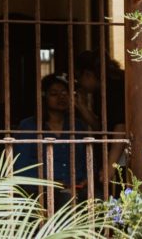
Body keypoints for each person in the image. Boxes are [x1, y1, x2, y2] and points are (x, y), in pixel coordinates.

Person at [14, 73, 88, 207]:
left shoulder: (77, 126)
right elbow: (21, 168)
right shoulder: (29, 126)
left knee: (99, 199)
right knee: (65, 198)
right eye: (54, 94)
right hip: (41, 188)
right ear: (43, 97)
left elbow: (86, 160)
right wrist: (53, 183)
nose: (61, 97)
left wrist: (86, 179)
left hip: (76, 186)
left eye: (65, 92)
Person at [74, 51, 126, 184]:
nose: (79, 83)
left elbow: (121, 126)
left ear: (88, 74)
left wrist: (110, 165)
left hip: (129, 146)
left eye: (78, 79)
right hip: (120, 147)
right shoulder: (101, 90)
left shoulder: (115, 86)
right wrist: (82, 107)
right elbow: (103, 128)